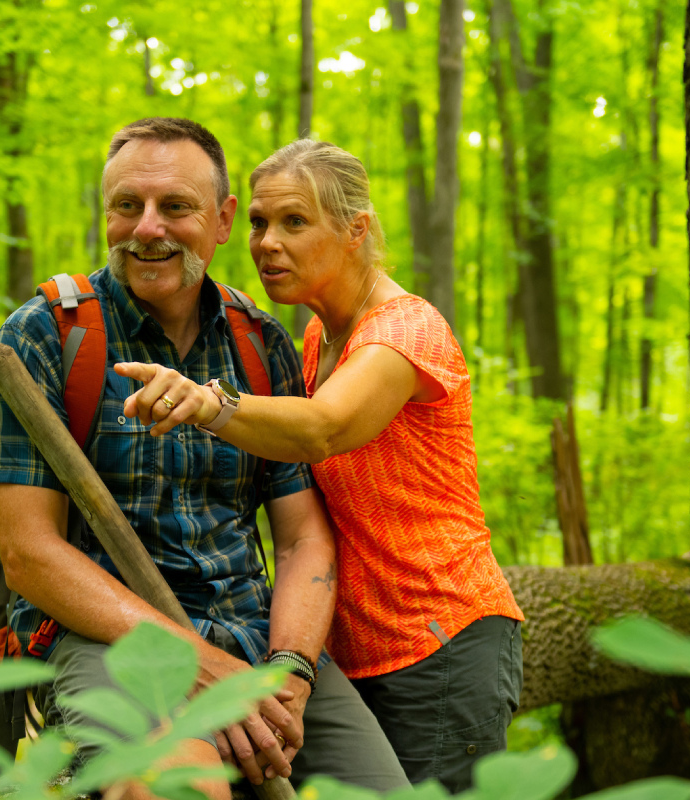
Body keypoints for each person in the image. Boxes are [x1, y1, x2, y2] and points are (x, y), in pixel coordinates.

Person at [0, 119, 408, 800]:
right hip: (104, 637)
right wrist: (195, 662)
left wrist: (292, 673)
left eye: (175, 206)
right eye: (127, 206)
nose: (148, 228)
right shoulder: (47, 334)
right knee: (179, 789)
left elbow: (301, 538)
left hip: (258, 637)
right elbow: (28, 553)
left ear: (223, 220)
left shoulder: (259, 343)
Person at [115, 139, 524, 794]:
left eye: (294, 222)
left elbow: (322, 430)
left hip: (438, 640)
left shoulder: (405, 334)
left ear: (355, 229)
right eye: (258, 222)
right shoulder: (315, 335)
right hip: (356, 647)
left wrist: (206, 403)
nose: (267, 242)